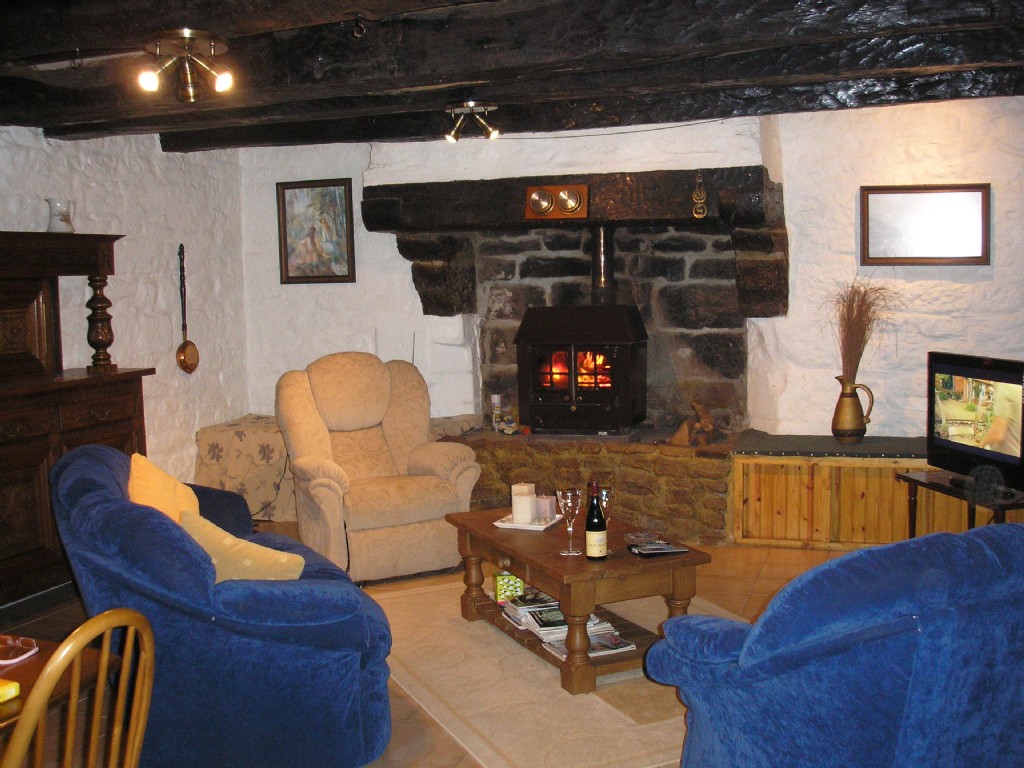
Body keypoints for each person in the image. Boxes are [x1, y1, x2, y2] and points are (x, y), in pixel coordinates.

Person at [977, 381, 1022, 458]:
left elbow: (997, 433)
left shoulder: (1004, 385)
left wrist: (981, 444)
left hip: (1006, 457)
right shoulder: (1017, 386)